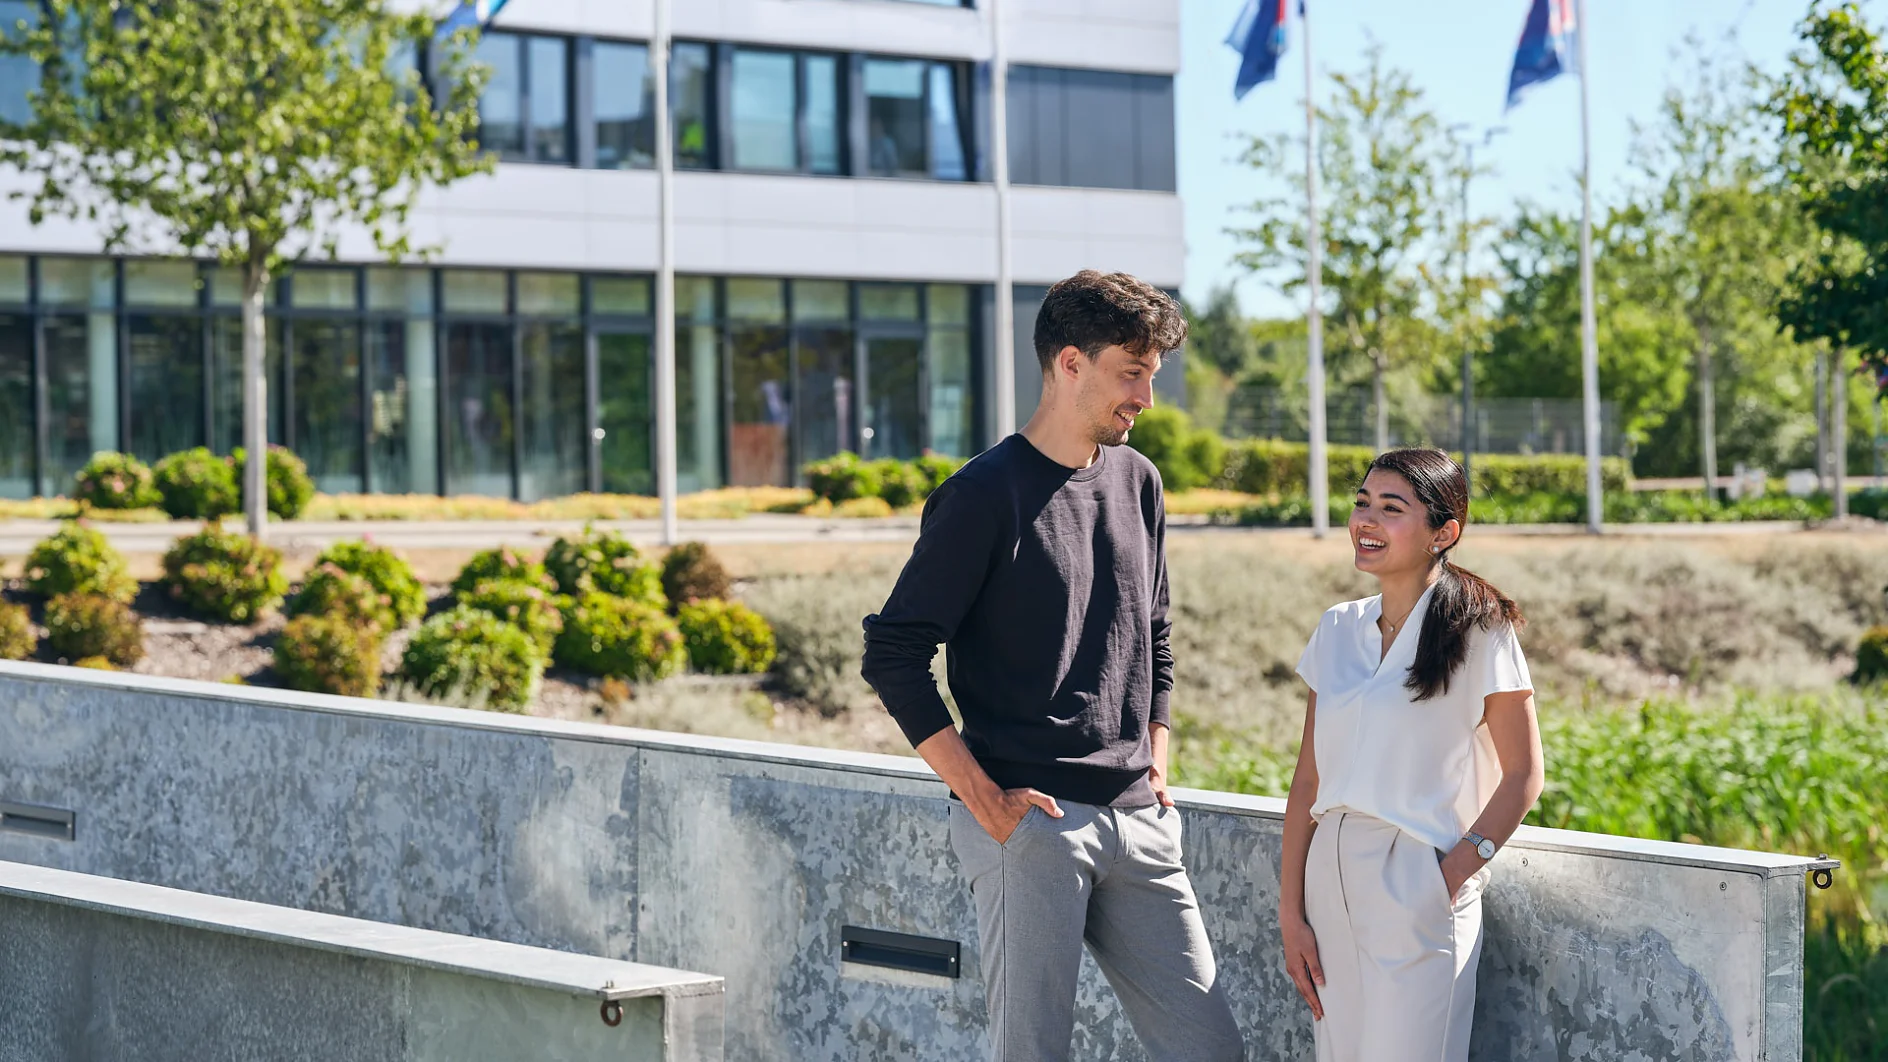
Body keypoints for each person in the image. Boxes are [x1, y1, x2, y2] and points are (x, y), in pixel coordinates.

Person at [860, 270, 1245, 1062]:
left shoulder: (1140, 482)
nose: (1145, 396)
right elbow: (893, 652)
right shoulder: (982, 495)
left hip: (1137, 816)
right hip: (1034, 825)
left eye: (1151, 376)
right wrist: (982, 799)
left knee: (1210, 1051)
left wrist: (1158, 756)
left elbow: (1157, 630)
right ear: (1070, 364)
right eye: (1130, 373)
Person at [1278, 448, 1545, 1062]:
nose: (1366, 521)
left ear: (1444, 532)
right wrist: (1291, 912)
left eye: (1391, 509)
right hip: (1328, 883)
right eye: (1362, 503)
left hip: (1417, 878)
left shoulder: (1482, 631)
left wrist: (1446, 876)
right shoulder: (1338, 629)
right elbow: (1307, 783)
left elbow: (1524, 775)